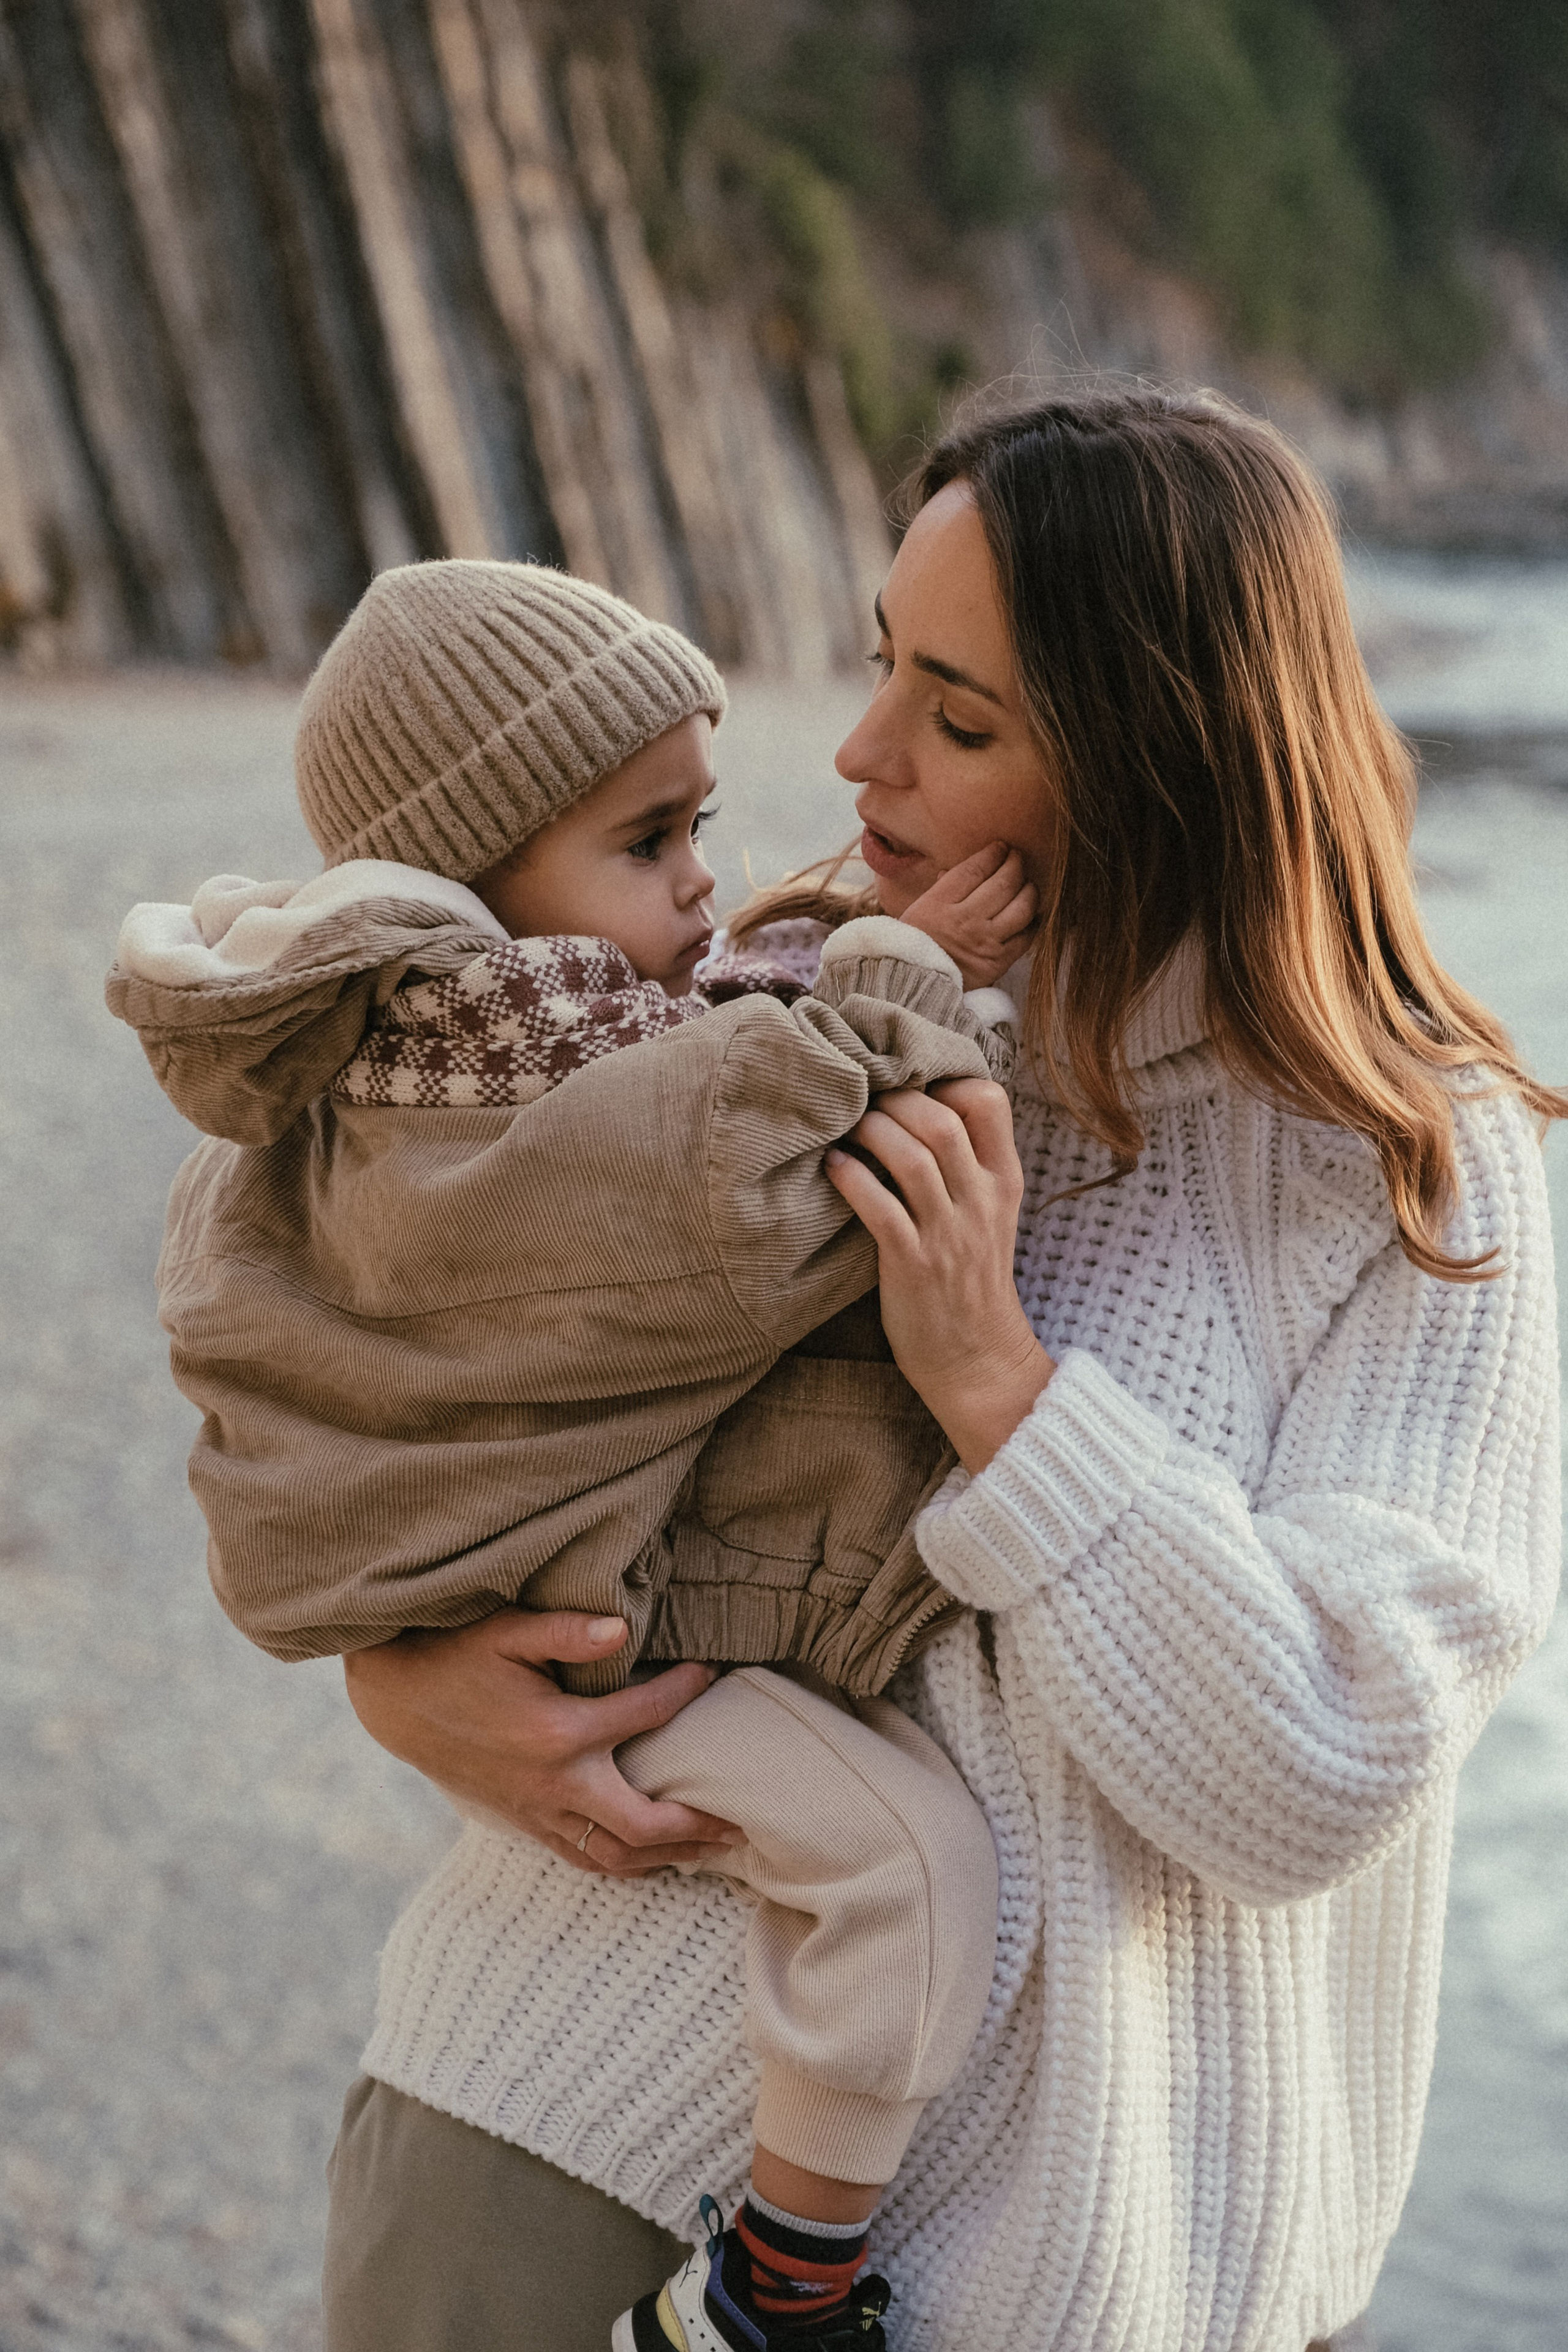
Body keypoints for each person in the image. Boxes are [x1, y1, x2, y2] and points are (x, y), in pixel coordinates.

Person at [317, 386, 1563, 2352]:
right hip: (571, 2136)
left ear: (1167, 755)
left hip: (1109, 2266)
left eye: (960, 718)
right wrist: (405, 1679)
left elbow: (1325, 1764)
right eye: (890, 663)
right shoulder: (788, 1000)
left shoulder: (1414, 1161)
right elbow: (404, 1342)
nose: (862, 751)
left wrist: (1002, 1386)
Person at [108, 558, 1041, 2351]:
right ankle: (774, 2298)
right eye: (650, 840)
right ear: (474, 883)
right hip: (603, 1637)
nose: (705, 878)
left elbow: (701, 1064)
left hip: (566, 1638)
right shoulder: (500, 1067)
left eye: (702, 824)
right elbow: (747, 1207)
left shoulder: (455, 1047)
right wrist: (912, 972)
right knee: (909, 1869)